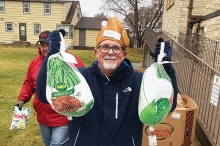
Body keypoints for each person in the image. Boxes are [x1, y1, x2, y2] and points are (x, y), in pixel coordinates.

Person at [36, 15, 178, 146]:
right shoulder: (80, 79)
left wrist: (167, 71)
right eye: (104, 47)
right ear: (96, 52)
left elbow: (168, 106)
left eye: (116, 48)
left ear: (124, 54)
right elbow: (43, 95)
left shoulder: (139, 81)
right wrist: (51, 56)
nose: (110, 52)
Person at [15, 30, 85, 146]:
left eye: (48, 45)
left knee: (57, 144)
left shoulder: (70, 60)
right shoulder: (35, 63)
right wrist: (22, 99)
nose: (45, 48)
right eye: (42, 45)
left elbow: (84, 82)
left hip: (62, 116)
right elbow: (28, 83)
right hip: (43, 116)